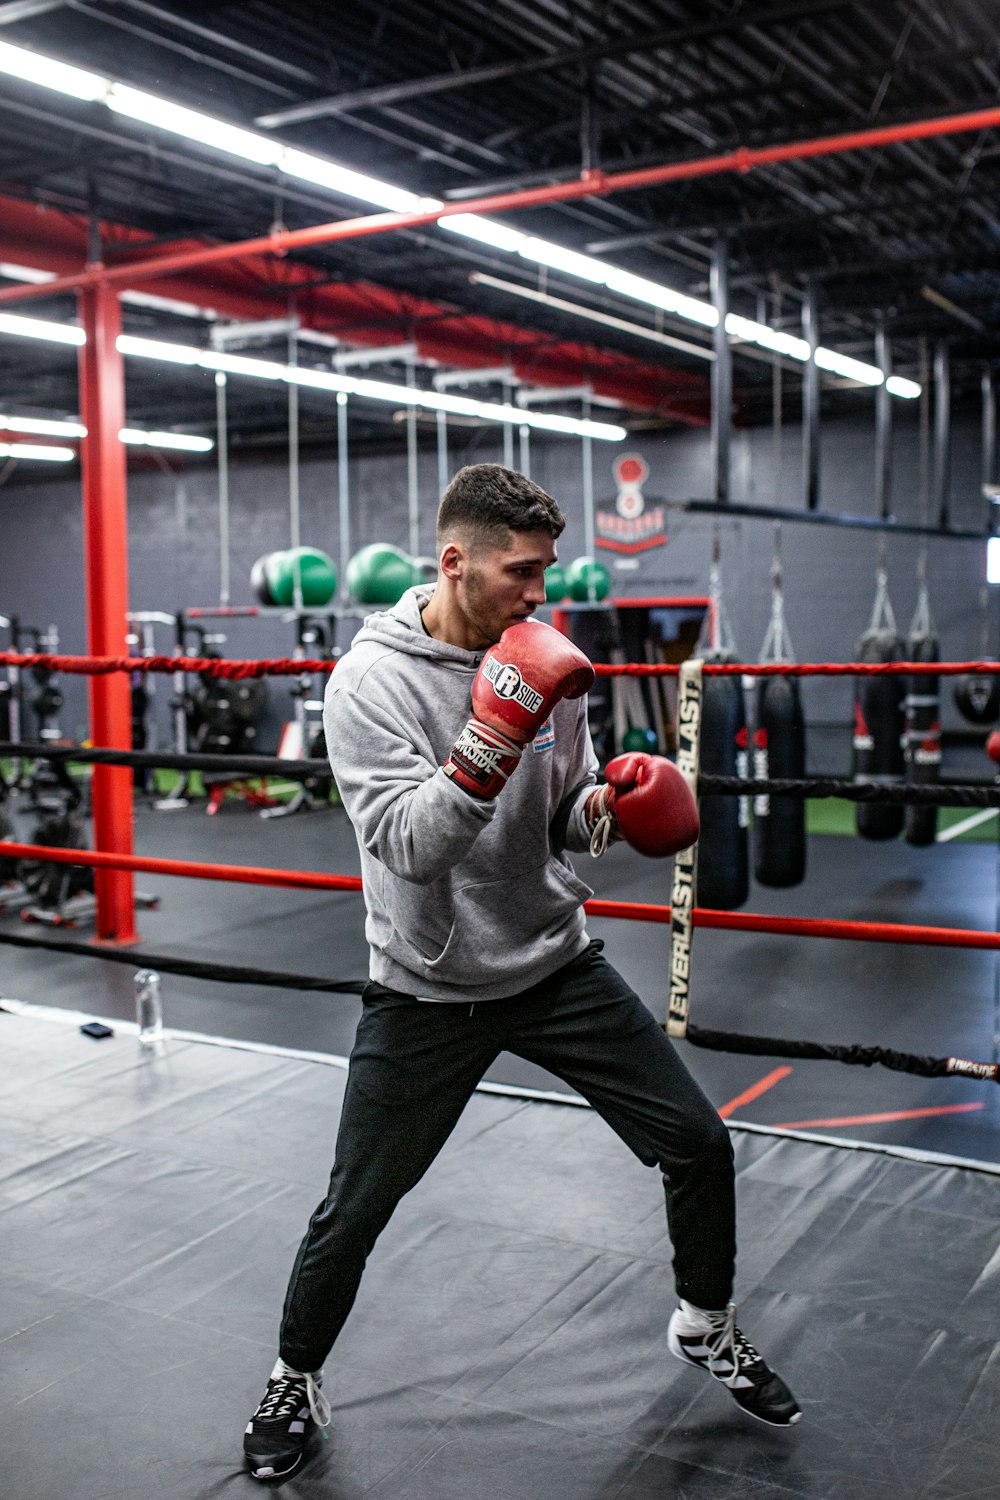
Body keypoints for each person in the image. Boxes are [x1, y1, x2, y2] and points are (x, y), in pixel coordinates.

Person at [243, 464, 800, 1481]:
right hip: (424, 984)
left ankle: (702, 1319)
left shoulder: (543, 657)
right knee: (355, 1208)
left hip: (551, 963)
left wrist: (615, 811)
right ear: (455, 562)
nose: (539, 593)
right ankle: (293, 1373)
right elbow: (409, 845)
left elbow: (564, 810)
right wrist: (488, 738)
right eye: (522, 571)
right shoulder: (367, 684)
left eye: (544, 570)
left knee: (697, 1141)